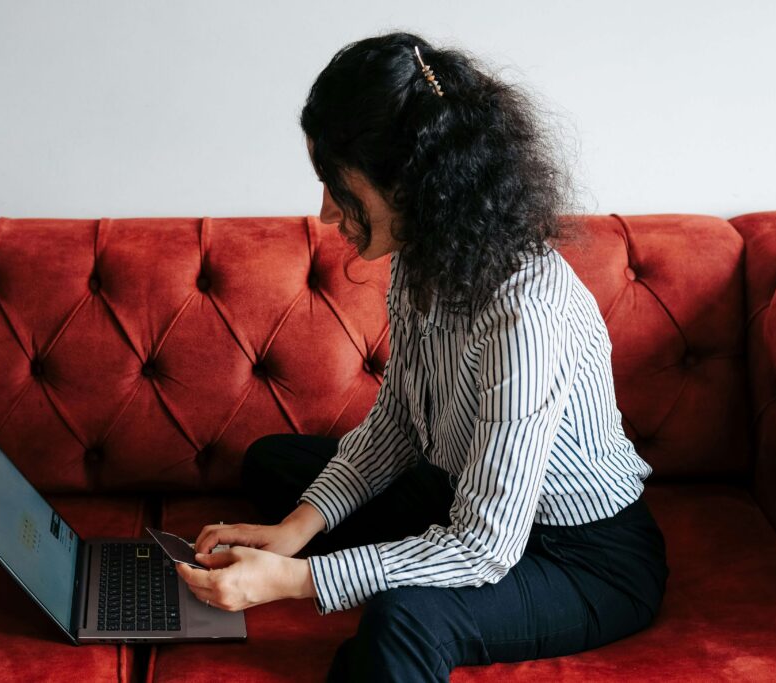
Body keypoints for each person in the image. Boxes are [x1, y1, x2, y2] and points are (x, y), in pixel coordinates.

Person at [175, 31, 670, 682]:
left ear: (412, 186)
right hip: (460, 495)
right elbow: (398, 425)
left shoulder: (527, 313)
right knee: (272, 465)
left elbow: (484, 545)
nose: (326, 214)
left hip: (581, 555)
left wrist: (298, 578)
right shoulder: (423, 262)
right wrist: (295, 529)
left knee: (403, 622)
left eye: (340, 188)